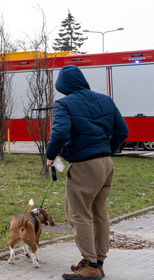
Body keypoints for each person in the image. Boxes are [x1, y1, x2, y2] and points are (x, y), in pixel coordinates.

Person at [46, 65, 128, 280]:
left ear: (63, 85)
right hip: (106, 164)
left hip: (83, 166)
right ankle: (98, 263)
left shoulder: (64, 103)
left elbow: (61, 131)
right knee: (99, 211)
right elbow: (123, 131)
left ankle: (90, 266)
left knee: (79, 213)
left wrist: (50, 154)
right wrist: (107, 150)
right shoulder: (105, 100)